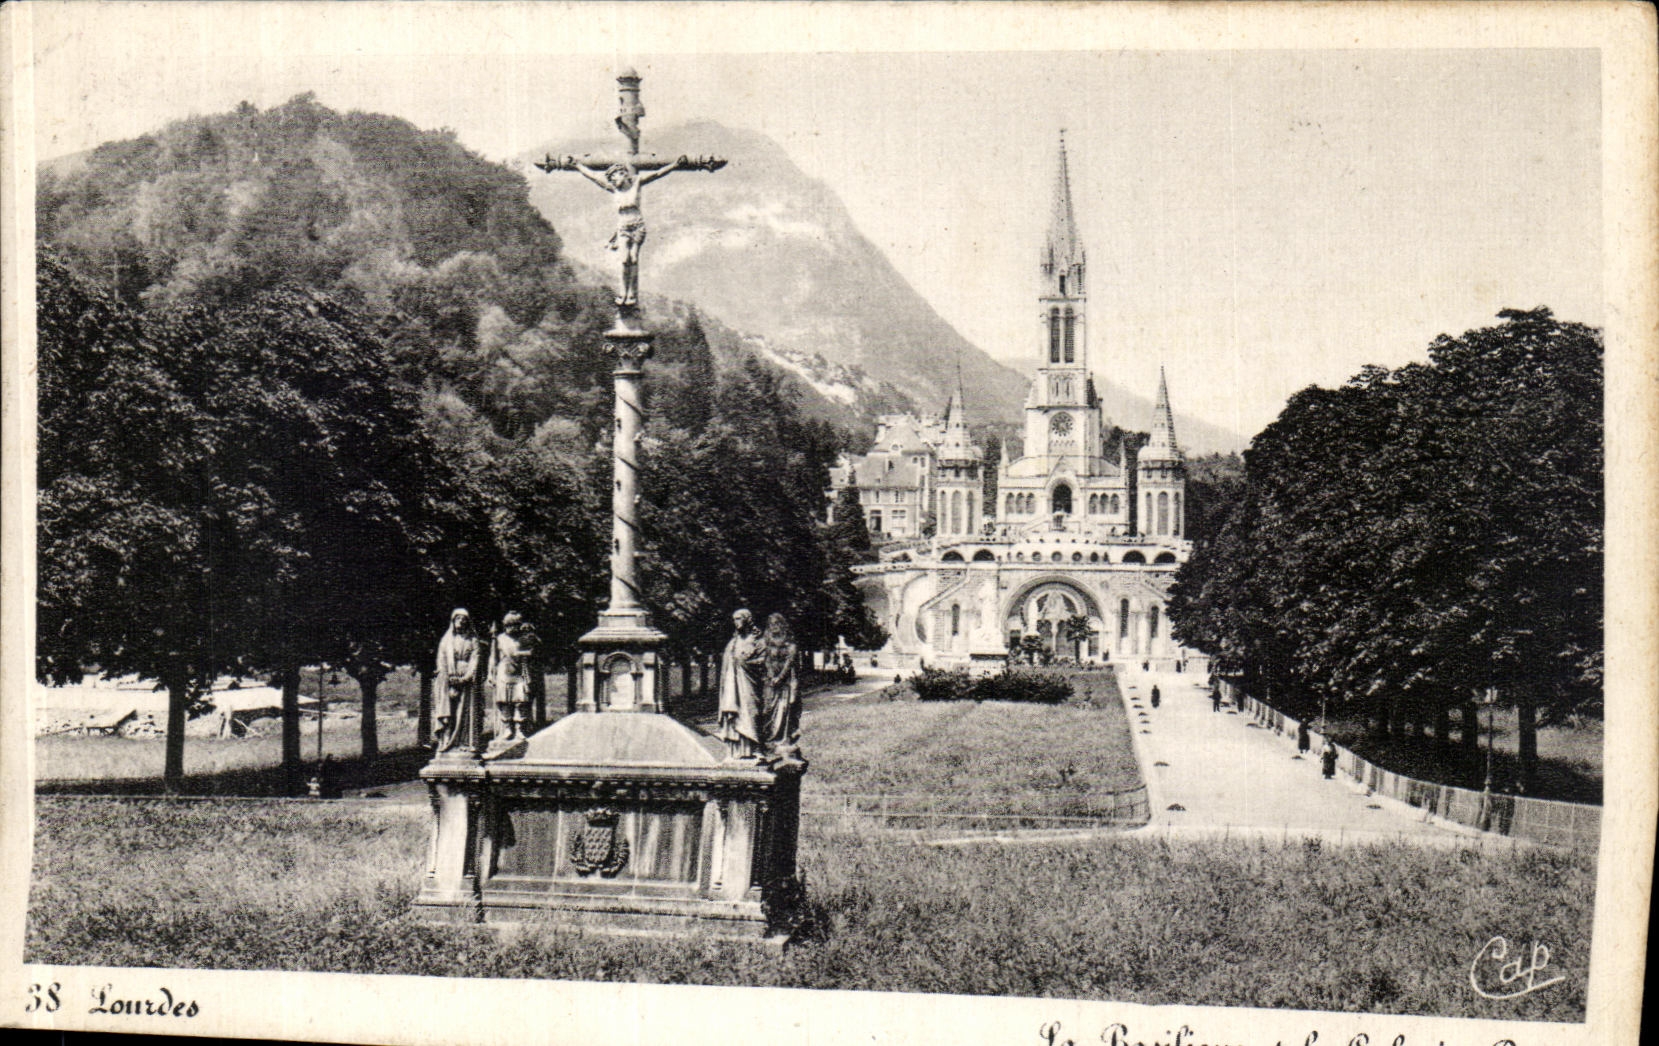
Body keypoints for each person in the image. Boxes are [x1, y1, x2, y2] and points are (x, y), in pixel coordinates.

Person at [717, 609, 766, 759]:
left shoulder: (758, 640)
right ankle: (736, 750)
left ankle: (755, 749)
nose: (736, 622)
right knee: (735, 714)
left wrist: (746, 663)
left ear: (747, 620)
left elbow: (764, 661)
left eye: (739, 619)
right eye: (734, 619)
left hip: (750, 684)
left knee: (752, 712)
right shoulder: (733, 643)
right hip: (733, 685)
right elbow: (726, 665)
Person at [434, 608, 483, 754]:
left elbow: (475, 660)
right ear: (453, 621)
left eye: (464, 619)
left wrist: (465, 678)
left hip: (467, 681)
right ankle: (446, 741)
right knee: (448, 711)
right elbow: (441, 661)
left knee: (466, 712)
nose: (461, 622)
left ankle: (465, 742)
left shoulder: (473, 640)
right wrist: (449, 677)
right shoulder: (447, 640)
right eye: (458, 619)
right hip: (448, 680)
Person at [489, 611, 537, 744]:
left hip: (520, 672)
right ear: (505, 626)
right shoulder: (499, 639)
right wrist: (490, 673)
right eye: (510, 625)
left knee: (520, 701)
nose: (512, 628)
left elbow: (532, 652)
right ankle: (507, 727)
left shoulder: (524, 638)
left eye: (516, 625)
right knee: (504, 701)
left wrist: (523, 653)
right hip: (504, 672)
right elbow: (494, 657)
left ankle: (519, 728)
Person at [761, 613, 802, 762]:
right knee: (768, 711)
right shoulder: (766, 643)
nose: (774, 627)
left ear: (782, 625)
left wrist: (780, 677)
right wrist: (772, 676)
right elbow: (766, 660)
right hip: (770, 683)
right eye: (771, 624)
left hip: (785, 684)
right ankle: (770, 740)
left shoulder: (790, 644)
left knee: (784, 711)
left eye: (777, 624)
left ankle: (782, 739)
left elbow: (789, 663)